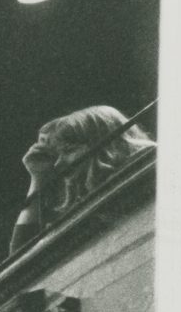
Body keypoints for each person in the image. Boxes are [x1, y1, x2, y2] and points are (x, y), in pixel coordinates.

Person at [11, 104, 154, 252]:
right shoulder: (79, 200)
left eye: (68, 150)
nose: (58, 163)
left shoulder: (150, 166)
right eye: (55, 155)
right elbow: (19, 257)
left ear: (107, 143)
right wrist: (37, 178)